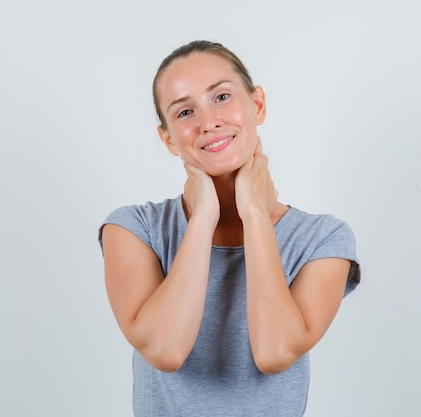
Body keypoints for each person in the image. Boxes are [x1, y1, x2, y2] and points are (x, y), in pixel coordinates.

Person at [98, 40, 361, 417]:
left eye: (221, 97)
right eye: (186, 111)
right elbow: (165, 350)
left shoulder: (322, 239)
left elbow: (275, 352)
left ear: (257, 105)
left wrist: (255, 213)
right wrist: (204, 215)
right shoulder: (133, 230)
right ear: (169, 138)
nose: (208, 122)